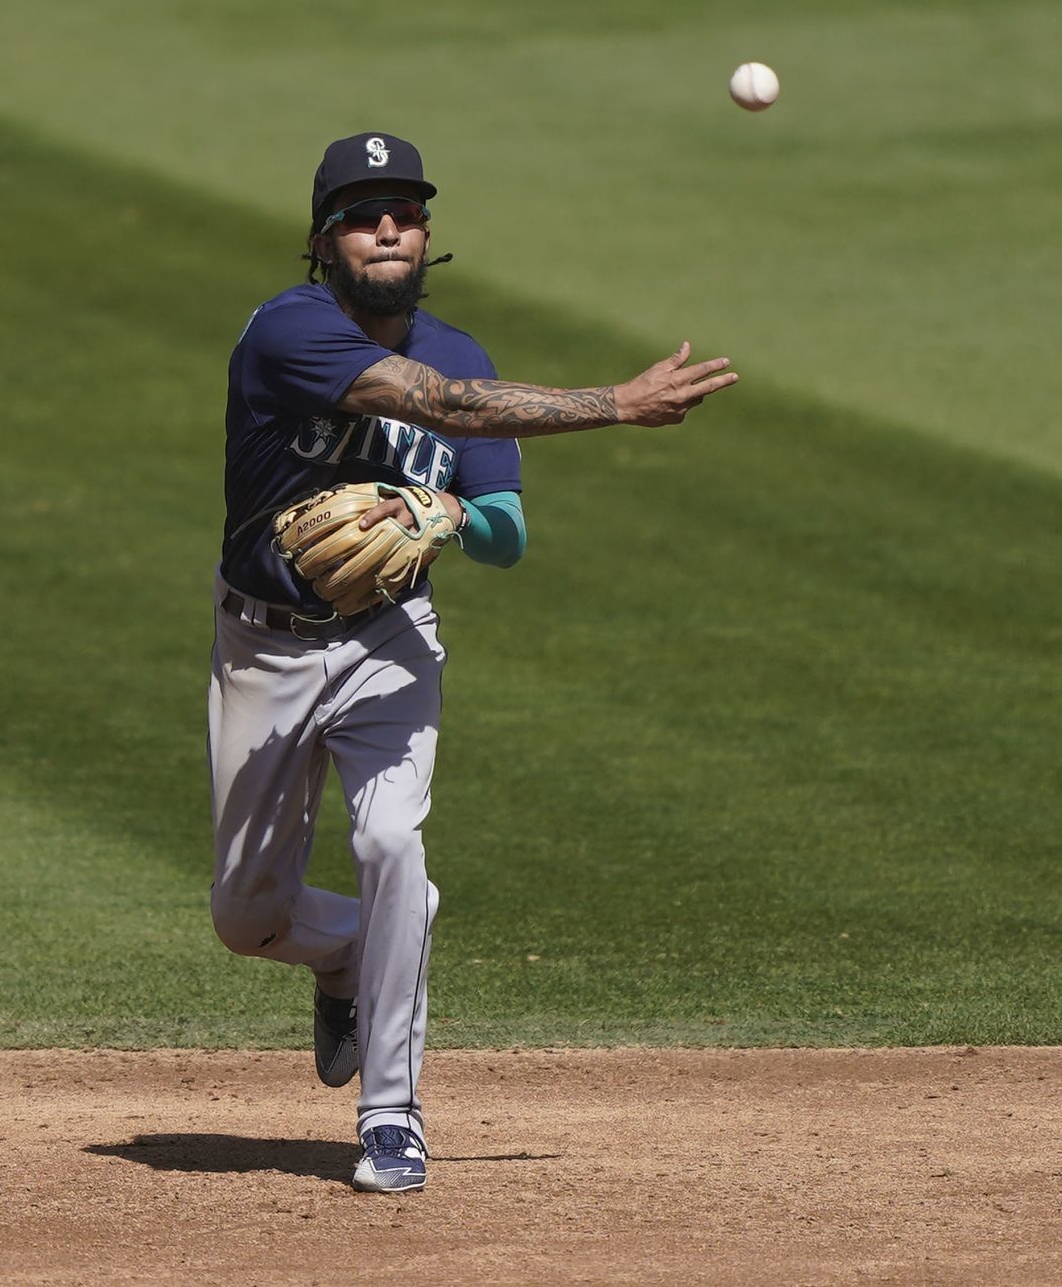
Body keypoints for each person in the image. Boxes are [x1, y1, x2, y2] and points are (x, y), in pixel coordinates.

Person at [209, 132, 737, 1193]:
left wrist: (450, 514)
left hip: (389, 640)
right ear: (323, 242)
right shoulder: (289, 330)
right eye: (362, 213)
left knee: (391, 840)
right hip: (261, 642)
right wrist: (615, 404)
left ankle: (390, 1116)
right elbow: (439, 406)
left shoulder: (466, 347)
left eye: (404, 208)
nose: (388, 225)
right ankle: (347, 952)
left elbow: (504, 529)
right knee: (246, 915)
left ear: (427, 236)